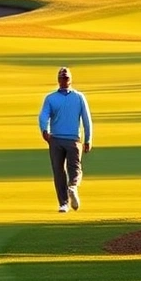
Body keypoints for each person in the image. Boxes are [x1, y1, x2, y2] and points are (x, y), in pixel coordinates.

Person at [38, 67, 93, 213]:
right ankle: (71, 190)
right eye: (63, 78)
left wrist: (44, 130)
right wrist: (88, 139)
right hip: (67, 140)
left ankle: (65, 201)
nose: (64, 80)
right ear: (60, 80)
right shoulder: (77, 97)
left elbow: (43, 117)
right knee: (71, 169)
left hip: (58, 139)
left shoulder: (55, 98)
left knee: (61, 171)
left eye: (65, 78)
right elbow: (87, 120)